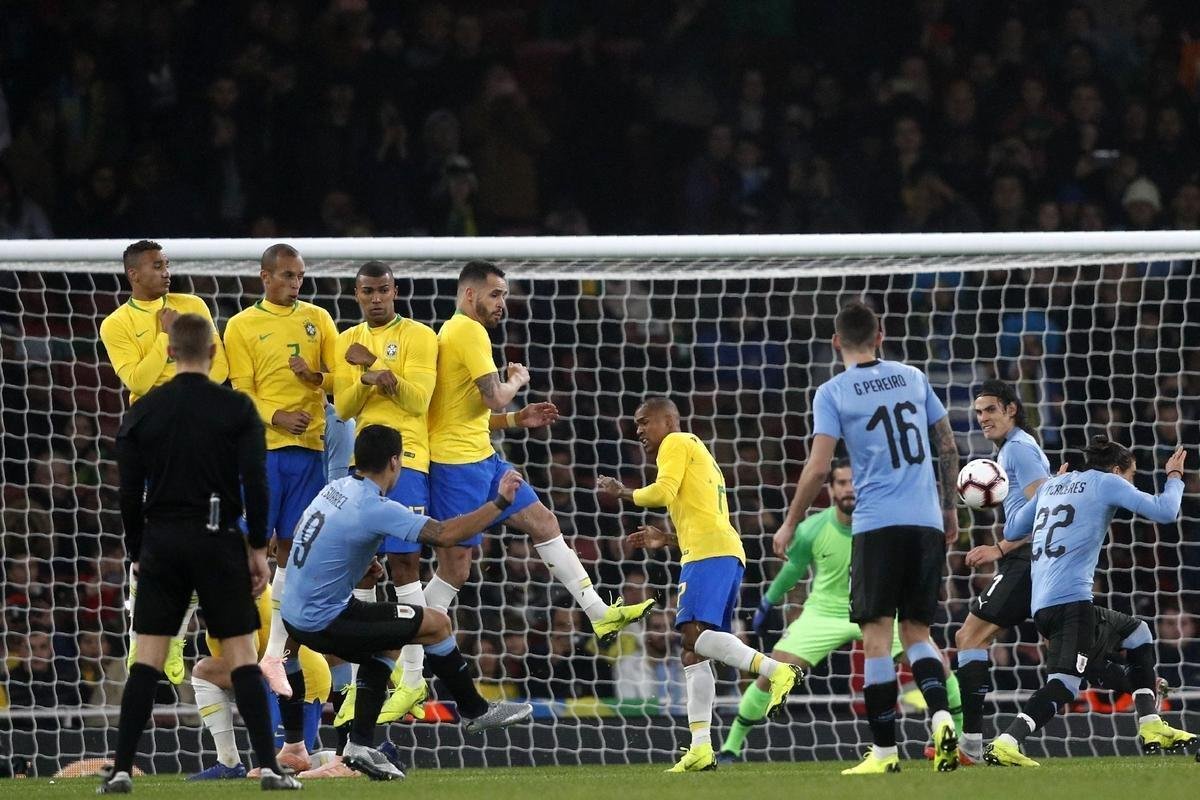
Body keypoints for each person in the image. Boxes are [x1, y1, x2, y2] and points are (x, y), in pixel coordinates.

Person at [102, 313, 298, 792]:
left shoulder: (143, 411)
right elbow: (256, 484)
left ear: (169, 352)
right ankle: (270, 769)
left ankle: (122, 769)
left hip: (162, 542)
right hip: (217, 540)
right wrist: (256, 549)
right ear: (213, 353)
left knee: (146, 659)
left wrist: (136, 550)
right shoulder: (236, 409)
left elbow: (128, 492)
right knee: (242, 658)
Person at [278, 424, 533, 780]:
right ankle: (475, 710)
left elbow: (317, 540)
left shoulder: (337, 488)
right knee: (436, 624)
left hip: (295, 614)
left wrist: (357, 566)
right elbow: (445, 535)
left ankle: (359, 745)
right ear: (395, 462)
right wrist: (501, 502)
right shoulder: (375, 506)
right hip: (325, 620)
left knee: (388, 641)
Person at [772, 300, 961, 775]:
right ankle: (940, 716)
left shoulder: (833, 391)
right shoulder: (914, 377)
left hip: (877, 525)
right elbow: (948, 445)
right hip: (926, 523)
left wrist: (791, 521)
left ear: (837, 341)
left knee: (877, 638)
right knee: (918, 633)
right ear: (881, 335)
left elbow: (818, 468)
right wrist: (950, 511)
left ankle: (884, 753)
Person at [424, 261, 653, 640]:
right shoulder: (466, 331)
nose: (502, 303)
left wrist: (517, 421)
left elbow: (462, 415)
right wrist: (516, 379)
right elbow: (496, 398)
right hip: (455, 466)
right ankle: (405, 661)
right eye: (495, 294)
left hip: (481, 457)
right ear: (469, 294)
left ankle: (598, 613)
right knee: (455, 570)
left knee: (545, 523)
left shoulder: (460, 332)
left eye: (505, 295)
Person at [598, 396, 802, 773]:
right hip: (716, 551)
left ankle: (776, 670)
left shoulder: (675, 443)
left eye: (645, 422)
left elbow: (660, 493)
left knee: (691, 636)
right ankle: (700, 747)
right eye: (636, 424)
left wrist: (621, 492)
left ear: (668, 420)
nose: (639, 430)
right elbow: (703, 515)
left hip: (709, 556)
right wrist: (667, 540)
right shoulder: (698, 451)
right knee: (693, 654)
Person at [718, 459, 963, 763]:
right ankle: (730, 746)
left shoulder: (882, 525)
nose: (849, 489)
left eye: (854, 482)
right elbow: (793, 569)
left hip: (881, 609)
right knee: (773, 670)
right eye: (842, 483)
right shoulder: (812, 528)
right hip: (826, 613)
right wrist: (768, 600)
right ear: (831, 489)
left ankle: (959, 739)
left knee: (937, 664)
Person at [987, 437, 1193, 766]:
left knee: (1137, 633)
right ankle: (1006, 741)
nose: (1131, 482)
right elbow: (1166, 511)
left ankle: (1151, 723)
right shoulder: (1107, 482)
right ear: (1115, 469)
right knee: (1065, 684)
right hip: (1071, 602)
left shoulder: (1053, 485)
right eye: (1131, 474)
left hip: (1043, 604)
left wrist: (1050, 486)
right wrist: (1174, 476)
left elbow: (1012, 530)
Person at [98, 240, 229, 686]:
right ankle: (143, 640)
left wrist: (167, 363)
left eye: (167, 264)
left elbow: (219, 367)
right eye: (157, 265)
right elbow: (135, 379)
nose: (166, 271)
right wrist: (165, 339)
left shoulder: (192, 304)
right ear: (134, 274)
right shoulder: (116, 324)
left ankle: (173, 639)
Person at [222, 243, 338, 697]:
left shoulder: (320, 319)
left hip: (309, 452)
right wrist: (277, 417)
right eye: (288, 275)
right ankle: (236, 637)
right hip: (262, 451)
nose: (296, 284)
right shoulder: (242, 325)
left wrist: (315, 378)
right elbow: (240, 390)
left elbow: (337, 378)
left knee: (294, 549)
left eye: (300, 277)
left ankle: (275, 651)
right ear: (264, 276)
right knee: (249, 546)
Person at [333, 260, 438, 724]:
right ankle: (368, 676)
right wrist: (364, 378)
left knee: (404, 562)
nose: (376, 298)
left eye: (383, 290)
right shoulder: (344, 340)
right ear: (356, 295)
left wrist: (376, 368)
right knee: (360, 566)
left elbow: (419, 401)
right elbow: (343, 408)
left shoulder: (420, 336)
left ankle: (413, 678)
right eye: (367, 291)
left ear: (395, 291)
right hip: (363, 462)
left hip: (408, 459)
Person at [953, 380, 1051, 763]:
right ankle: (1143, 687)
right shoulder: (1012, 449)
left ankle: (972, 746)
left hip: (1026, 561)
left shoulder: (1020, 450)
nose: (982, 419)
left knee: (969, 636)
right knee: (1068, 653)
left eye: (990, 410)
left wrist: (999, 548)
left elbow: (1047, 511)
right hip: (1028, 560)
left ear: (1011, 408)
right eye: (978, 412)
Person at [188, 585, 332, 780]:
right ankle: (228, 763)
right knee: (205, 671)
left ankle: (343, 760)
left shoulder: (239, 587)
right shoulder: (226, 589)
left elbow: (247, 653)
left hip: (300, 678)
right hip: (269, 676)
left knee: (281, 765)